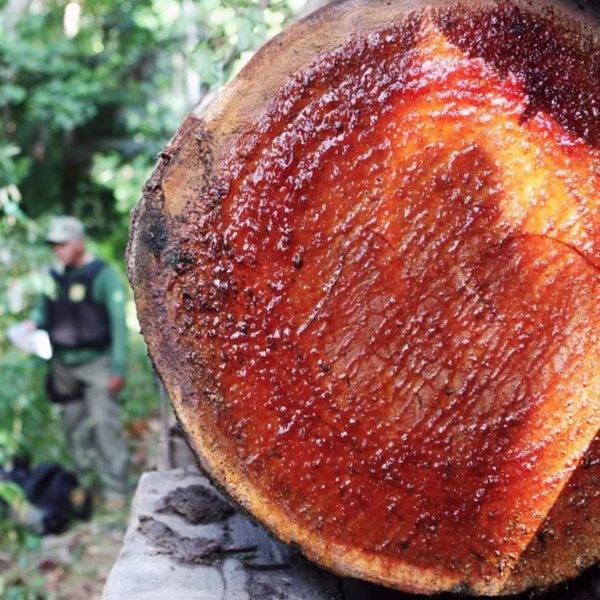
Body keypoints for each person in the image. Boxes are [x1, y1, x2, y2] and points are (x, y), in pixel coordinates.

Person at [23, 216, 129, 506]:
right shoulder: (53, 276)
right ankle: (84, 484)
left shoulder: (102, 274)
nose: (58, 250)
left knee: (105, 425)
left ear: (79, 242)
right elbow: (43, 311)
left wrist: (118, 366)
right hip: (62, 366)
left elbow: (118, 323)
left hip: (97, 363)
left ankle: (115, 491)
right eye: (54, 245)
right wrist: (31, 325)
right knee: (73, 426)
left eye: (63, 244)